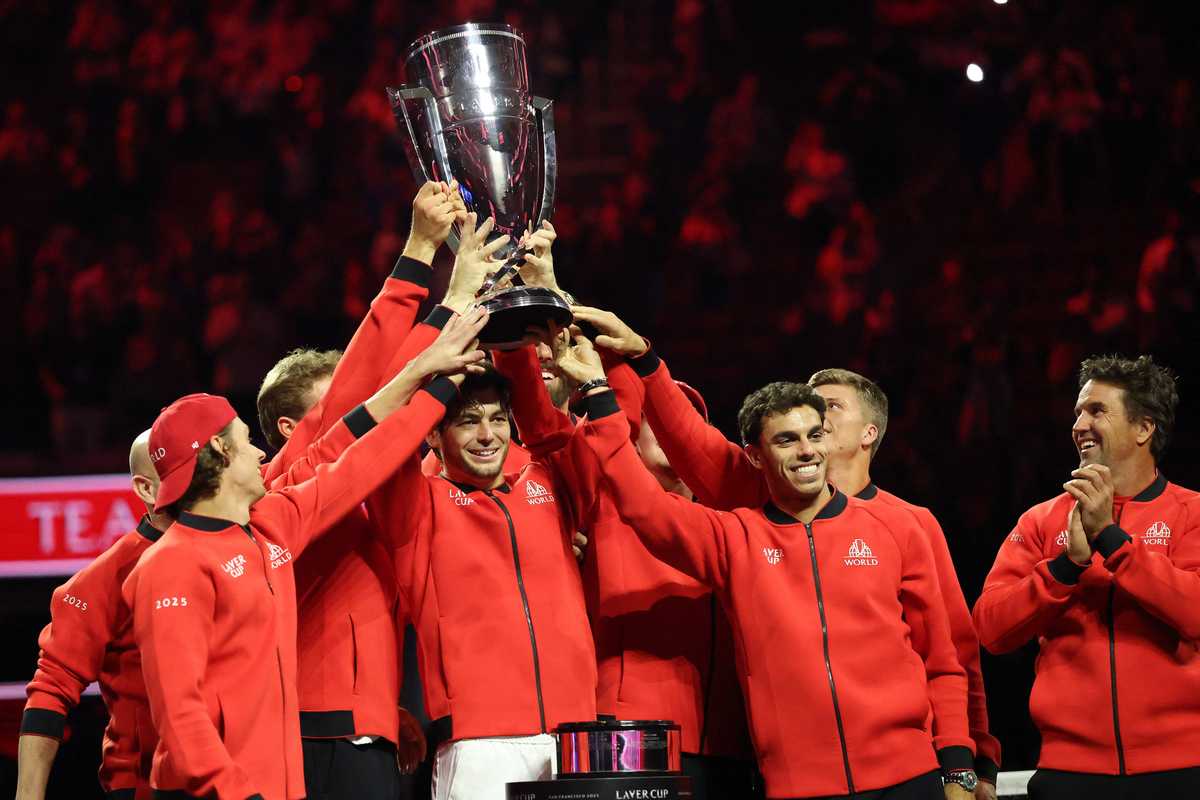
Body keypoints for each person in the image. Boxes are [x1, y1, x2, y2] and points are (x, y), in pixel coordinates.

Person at [570, 305, 999, 797]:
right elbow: (651, 490)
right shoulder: (735, 536)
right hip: (796, 785)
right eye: (788, 439)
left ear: (858, 433)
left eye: (818, 429)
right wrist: (618, 383)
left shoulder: (899, 527)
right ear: (756, 455)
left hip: (909, 777)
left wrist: (964, 768)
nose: (807, 449)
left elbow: (946, 661)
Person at [121, 308, 488, 799]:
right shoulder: (169, 564)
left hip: (280, 786)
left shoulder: (271, 528)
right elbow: (180, 715)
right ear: (221, 456)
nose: (261, 454)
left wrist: (438, 379)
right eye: (247, 442)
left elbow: (360, 458)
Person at [253, 179, 462, 799]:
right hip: (314, 733)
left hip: (357, 727)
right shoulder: (279, 493)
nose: (368, 410)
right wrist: (423, 259)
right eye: (342, 409)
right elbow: (370, 392)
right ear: (295, 428)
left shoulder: (362, 506)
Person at [367, 357, 602, 800]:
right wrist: (442, 366)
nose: (487, 435)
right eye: (467, 422)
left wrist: (517, 350)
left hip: (573, 736)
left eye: (497, 419)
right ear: (433, 435)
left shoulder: (547, 484)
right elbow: (388, 436)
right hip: (479, 744)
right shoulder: (417, 509)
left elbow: (571, 438)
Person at [973, 354, 1200, 799]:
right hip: (1068, 771)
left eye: (1097, 411)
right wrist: (1065, 568)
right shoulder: (1040, 521)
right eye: (1078, 411)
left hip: (1183, 768)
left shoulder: (1192, 513)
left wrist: (1112, 542)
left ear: (1144, 428)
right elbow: (991, 628)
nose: (1079, 424)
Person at [17, 431, 171, 800]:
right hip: (143, 785)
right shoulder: (105, 579)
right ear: (146, 489)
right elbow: (50, 691)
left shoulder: (242, 543)